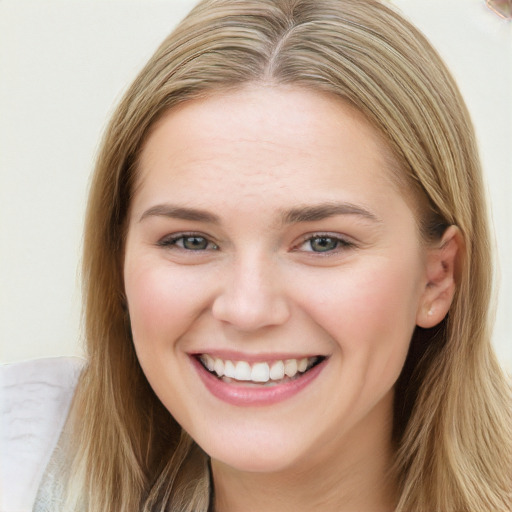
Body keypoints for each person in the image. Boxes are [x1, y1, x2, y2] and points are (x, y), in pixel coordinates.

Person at [1, 0, 510, 511]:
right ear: (119, 266)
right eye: (191, 241)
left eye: (323, 243)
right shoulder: (21, 463)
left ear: (437, 279)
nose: (247, 310)